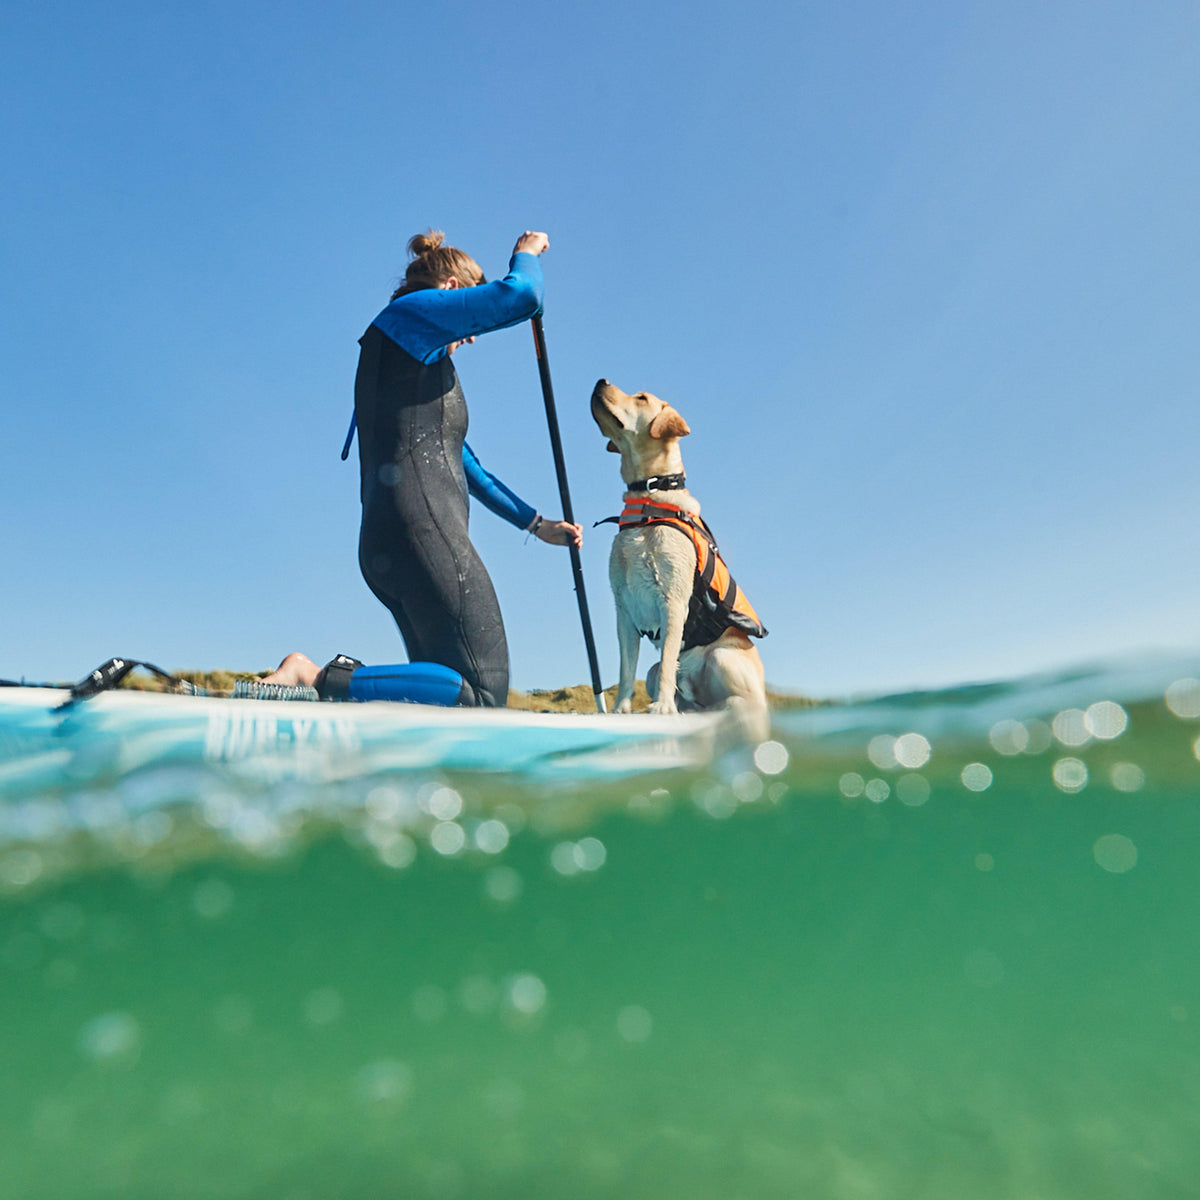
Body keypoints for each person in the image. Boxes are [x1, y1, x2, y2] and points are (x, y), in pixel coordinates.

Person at [307, 228, 579, 708]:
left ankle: (321, 693)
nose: (472, 336)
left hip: (394, 541)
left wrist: (536, 525)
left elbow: (466, 466)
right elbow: (522, 295)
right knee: (482, 694)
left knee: (442, 704)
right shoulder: (409, 317)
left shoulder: (406, 355)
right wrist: (526, 254)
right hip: (421, 534)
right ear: (452, 289)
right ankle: (313, 680)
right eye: (470, 314)